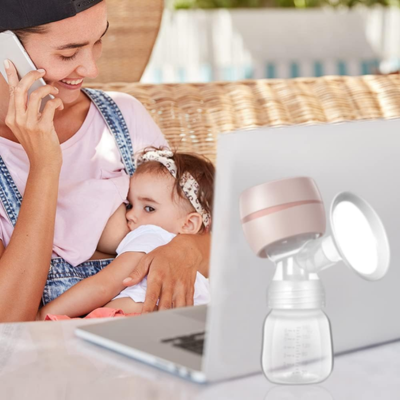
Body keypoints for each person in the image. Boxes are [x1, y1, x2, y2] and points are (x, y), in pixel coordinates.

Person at [0, 0, 211, 322]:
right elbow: (10, 322)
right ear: (5, 52)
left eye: (98, 42)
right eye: (68, 54)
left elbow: (211, 236)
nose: (91, 69)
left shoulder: (122, 117)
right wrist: (45, 166)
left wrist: (188, 249)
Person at [37, 148, 215, 319]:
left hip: (128, 320)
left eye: (149, 208)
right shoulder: (195, 264)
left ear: (189, 223)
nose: (130, 215)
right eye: (129, 205)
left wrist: (42, 316)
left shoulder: (152, 236)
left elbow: (103, 287)